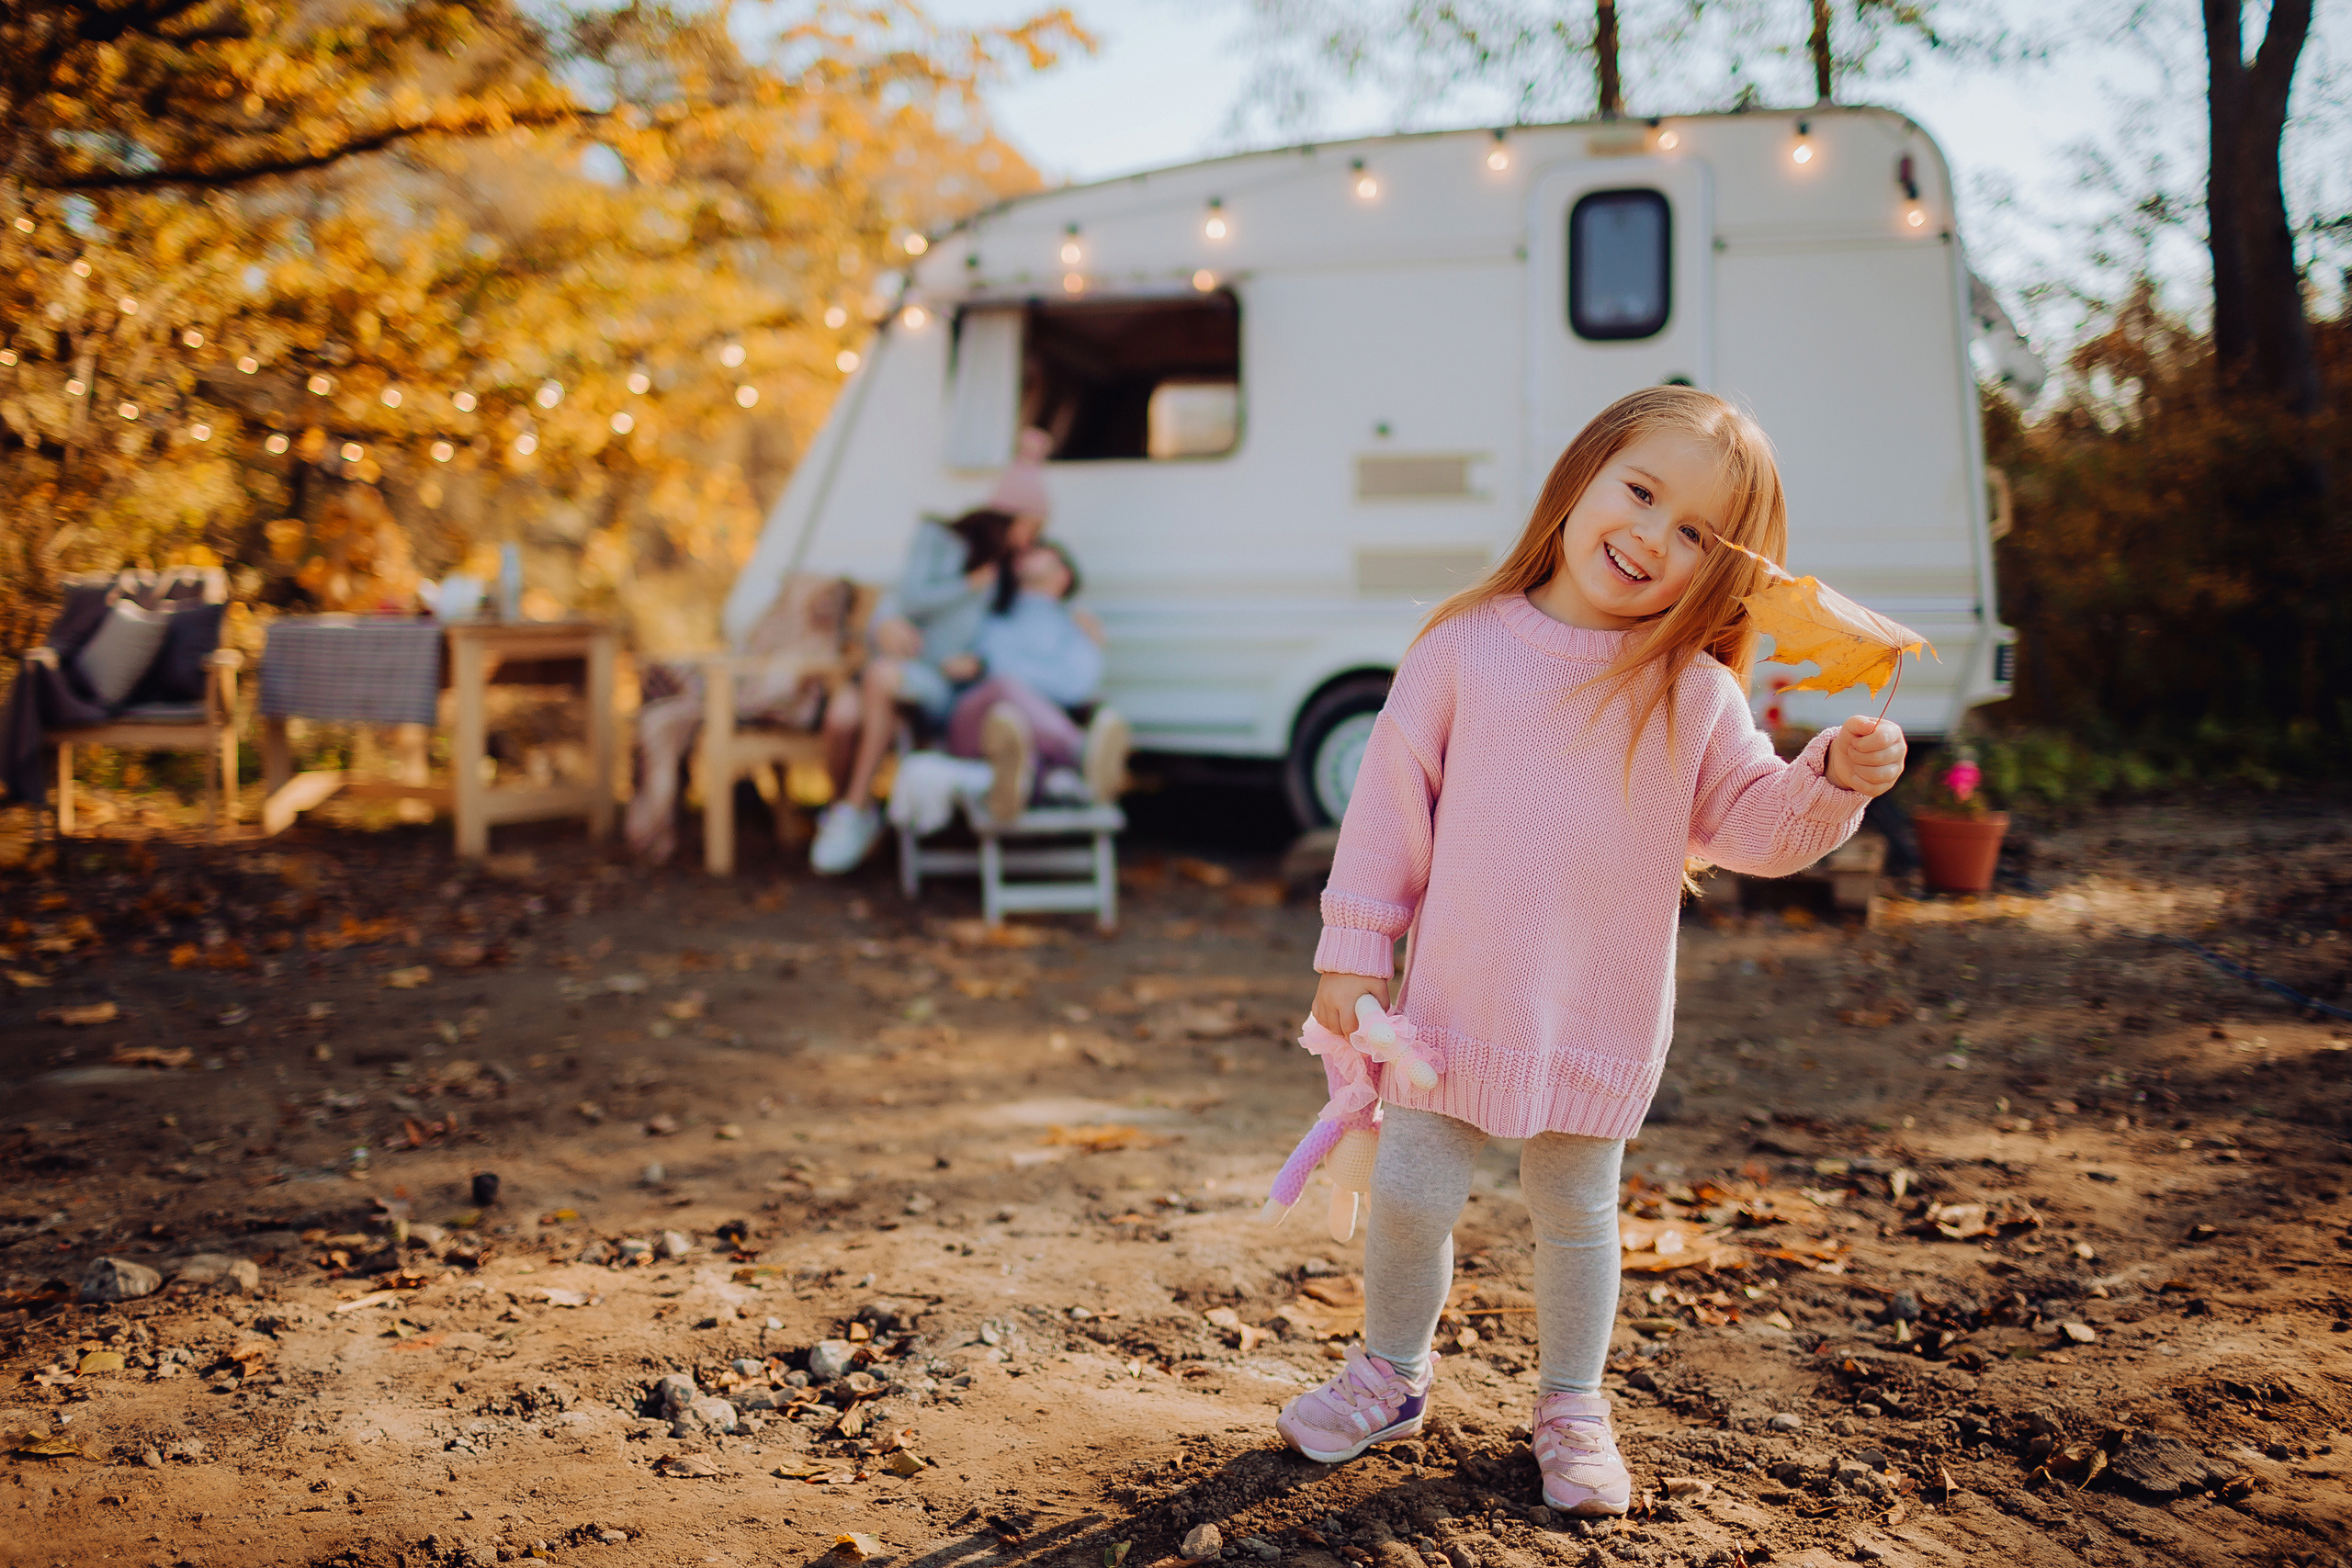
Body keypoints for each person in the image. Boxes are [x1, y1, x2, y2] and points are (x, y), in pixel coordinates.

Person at [1270, 387, 1907, 1515]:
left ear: (1724, 570)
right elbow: (1386, 805)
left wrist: (1828, 781)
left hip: (1594, 1013)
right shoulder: (1466, 645)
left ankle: (1571, 1403)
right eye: (1642, 492)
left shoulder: (1692, 692)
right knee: (1414, 1192)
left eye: (1697, 535)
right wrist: (1355, 944)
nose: (1652, 538)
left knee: (1576, 1213)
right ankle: (1390, 1370)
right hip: (1451, 1007)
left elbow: (1755, 829)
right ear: (1583, 474)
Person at [808, 429, 1051, 873]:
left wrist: (976, 663)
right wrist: (952, 592)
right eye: (1031, 527)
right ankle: (850, 810)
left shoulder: (1005, 577)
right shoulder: (937, 541)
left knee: (881, 682)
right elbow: (907, 600)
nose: (1031, 540)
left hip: (939, 683)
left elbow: (1002, 637)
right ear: (1010, 519)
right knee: (843, 717)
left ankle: (855, 807)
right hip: (895, 667)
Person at [942, 541, 1129, 818]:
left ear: (1062, 575)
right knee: (1003, 688)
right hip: (972, 723)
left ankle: (1026, 777)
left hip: (1023, 731)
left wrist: (998, 669)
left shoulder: (1076, 626)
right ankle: (1081, 753)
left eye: (1036, 552)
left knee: (1010, 710)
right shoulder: (989, 608)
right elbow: (993, 668)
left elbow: (1076, 687)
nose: (1024, 553)